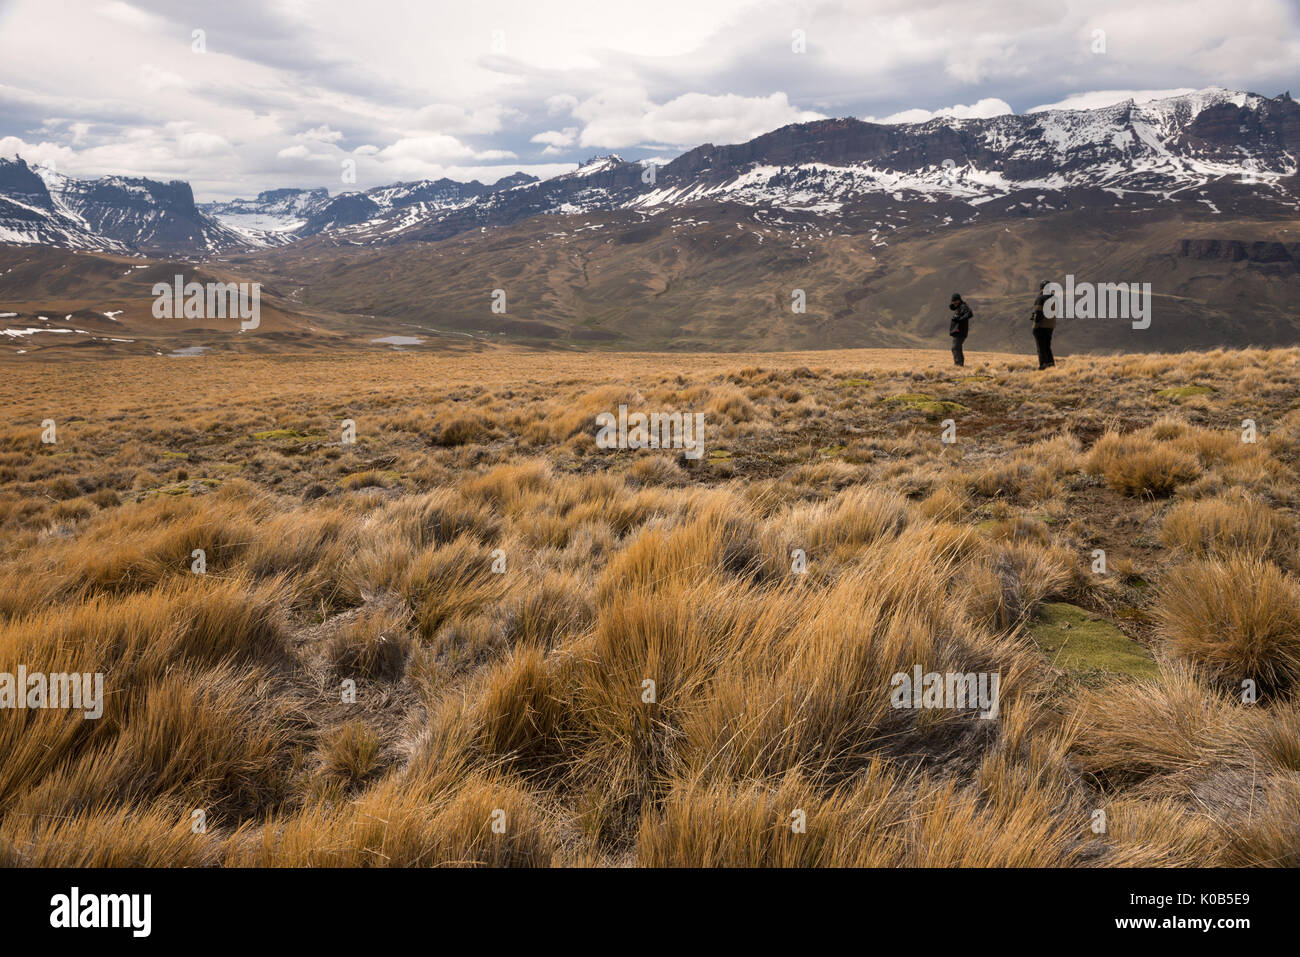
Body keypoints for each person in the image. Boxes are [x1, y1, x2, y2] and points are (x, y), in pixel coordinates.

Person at [1031, 280, 1056, 369]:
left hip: (1040, 327)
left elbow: (1038, 313)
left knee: (1041, 348)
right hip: (1050, 326)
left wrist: (1034, 320)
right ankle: (1051, 364)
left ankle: (1043, 365)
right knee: (1047, 347)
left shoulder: (1041, 298)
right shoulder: (1054, 299)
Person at [948, 293, 971, 367]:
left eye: (955, 301)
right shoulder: (959, 307)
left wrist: (960, 319)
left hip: (960, 332)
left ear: (959, 300)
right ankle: (960, 365)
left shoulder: (963, 306)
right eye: (952, 301)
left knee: (955, 348)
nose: (953, 302)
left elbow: (969, 313)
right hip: (957, 332)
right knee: (958, 348)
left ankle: (958, 365)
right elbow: (953, 308)